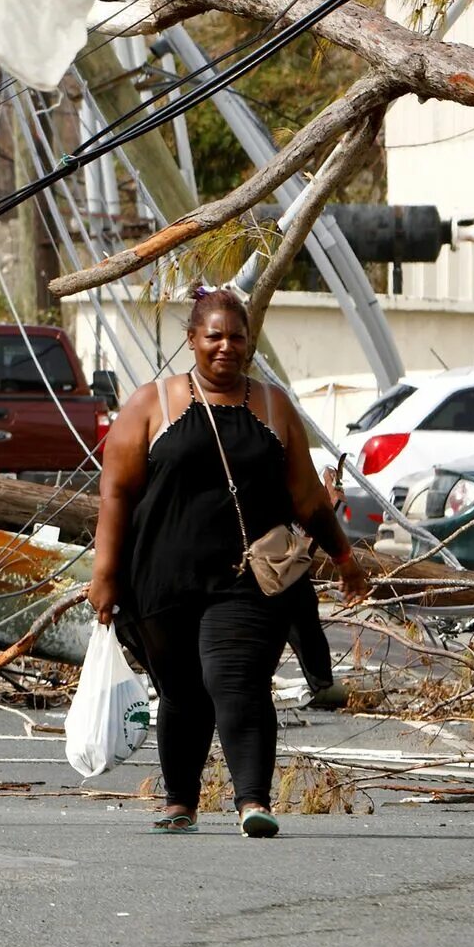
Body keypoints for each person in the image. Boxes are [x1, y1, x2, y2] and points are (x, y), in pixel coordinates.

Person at [87, 287, 369, 836]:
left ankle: (252, 801)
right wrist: (105, 575)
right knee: (182, 691)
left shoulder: (271, 407)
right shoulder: (152, 404)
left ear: (250, 343)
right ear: (191, 340)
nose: (225, 346)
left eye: (236, 337)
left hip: (247, 578)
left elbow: (309, 497)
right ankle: (180, 801)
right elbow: (116, 493)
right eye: (213, 336)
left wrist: (344, 556)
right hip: (160, 581)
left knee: (233, 678)